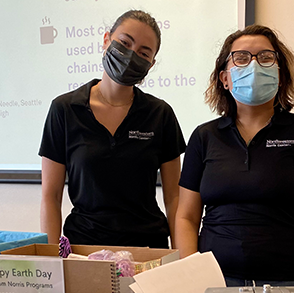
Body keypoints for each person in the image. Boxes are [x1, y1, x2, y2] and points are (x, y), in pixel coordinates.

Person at [174, 25, 294, 286]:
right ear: (224, 78)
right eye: (241, 58)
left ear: (280, 75)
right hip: (215, 284)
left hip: (287, 283)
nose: (254, 65)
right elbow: (186, 217)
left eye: (266, 57)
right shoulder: (204, 136)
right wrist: (191, 283)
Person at [39, 10, 185, 248]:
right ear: (106, 39)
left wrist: (181, 261)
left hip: (148, 249)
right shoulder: (64, 109)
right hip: (84, 249)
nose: (130, 55)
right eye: (125, 43)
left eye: (143, 52)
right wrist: (51, 261)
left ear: (151, 63)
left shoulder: (160, 114)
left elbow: (174, 197)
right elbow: (51, 197)